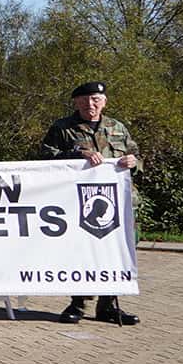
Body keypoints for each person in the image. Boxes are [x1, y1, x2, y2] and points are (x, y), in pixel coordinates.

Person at [43, 80, 143, 327]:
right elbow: (46, 157)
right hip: (80, 204)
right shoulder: (64, 128)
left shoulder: (117, 127)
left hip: (120, 204)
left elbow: (138, 159)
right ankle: (79, 304)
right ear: (76, 103)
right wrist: (78, 154)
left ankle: (108, 306)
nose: (91, 104)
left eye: (96, 100)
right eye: (85, 100)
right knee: (84, 253)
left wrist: (134, 162)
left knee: (117, 252)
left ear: (104, 101)